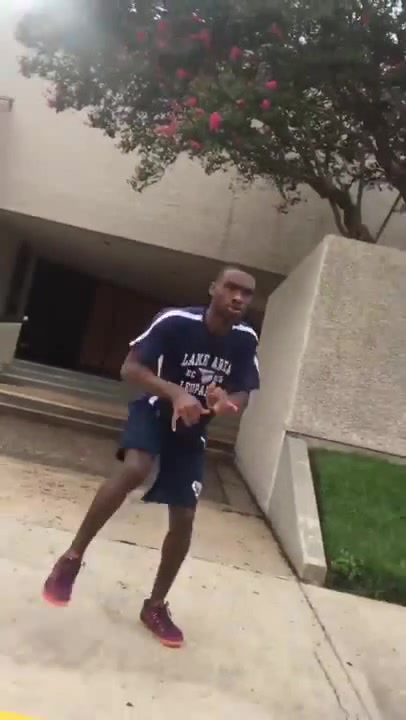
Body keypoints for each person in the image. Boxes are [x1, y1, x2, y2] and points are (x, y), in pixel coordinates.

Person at [43, 266, 260, 648]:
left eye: (247, 293)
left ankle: (155, 606)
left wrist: (226, 403)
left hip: (192, 427)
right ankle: (71, 559)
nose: (238, 297)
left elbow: (243, 391)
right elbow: (130, 368)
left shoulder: (244, 338)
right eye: (231, 288)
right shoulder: (175, 321)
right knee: (135, 468)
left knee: (186, 515)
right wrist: (175, 392)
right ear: (213, 288)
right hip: (154, 410)